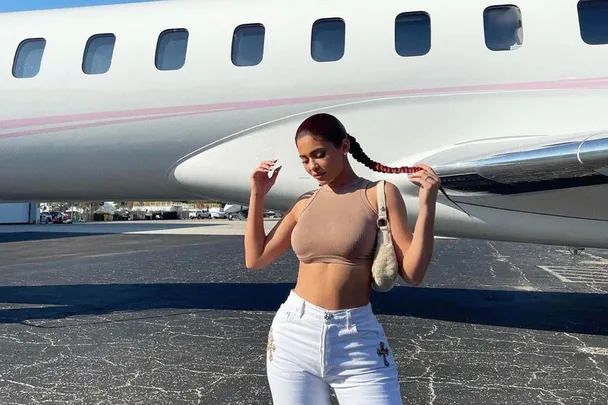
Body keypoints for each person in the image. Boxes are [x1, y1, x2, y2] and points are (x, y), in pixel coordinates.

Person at [244, 112, 440, 404]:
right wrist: (257, 194)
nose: (313, 166)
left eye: (319, 154)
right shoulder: (304, 203)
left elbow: (413, 273)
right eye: (304, 159)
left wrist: (427, 205)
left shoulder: (379, 194)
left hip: (356, 338)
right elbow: (256, 258)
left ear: (344, 146)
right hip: (294, 332)